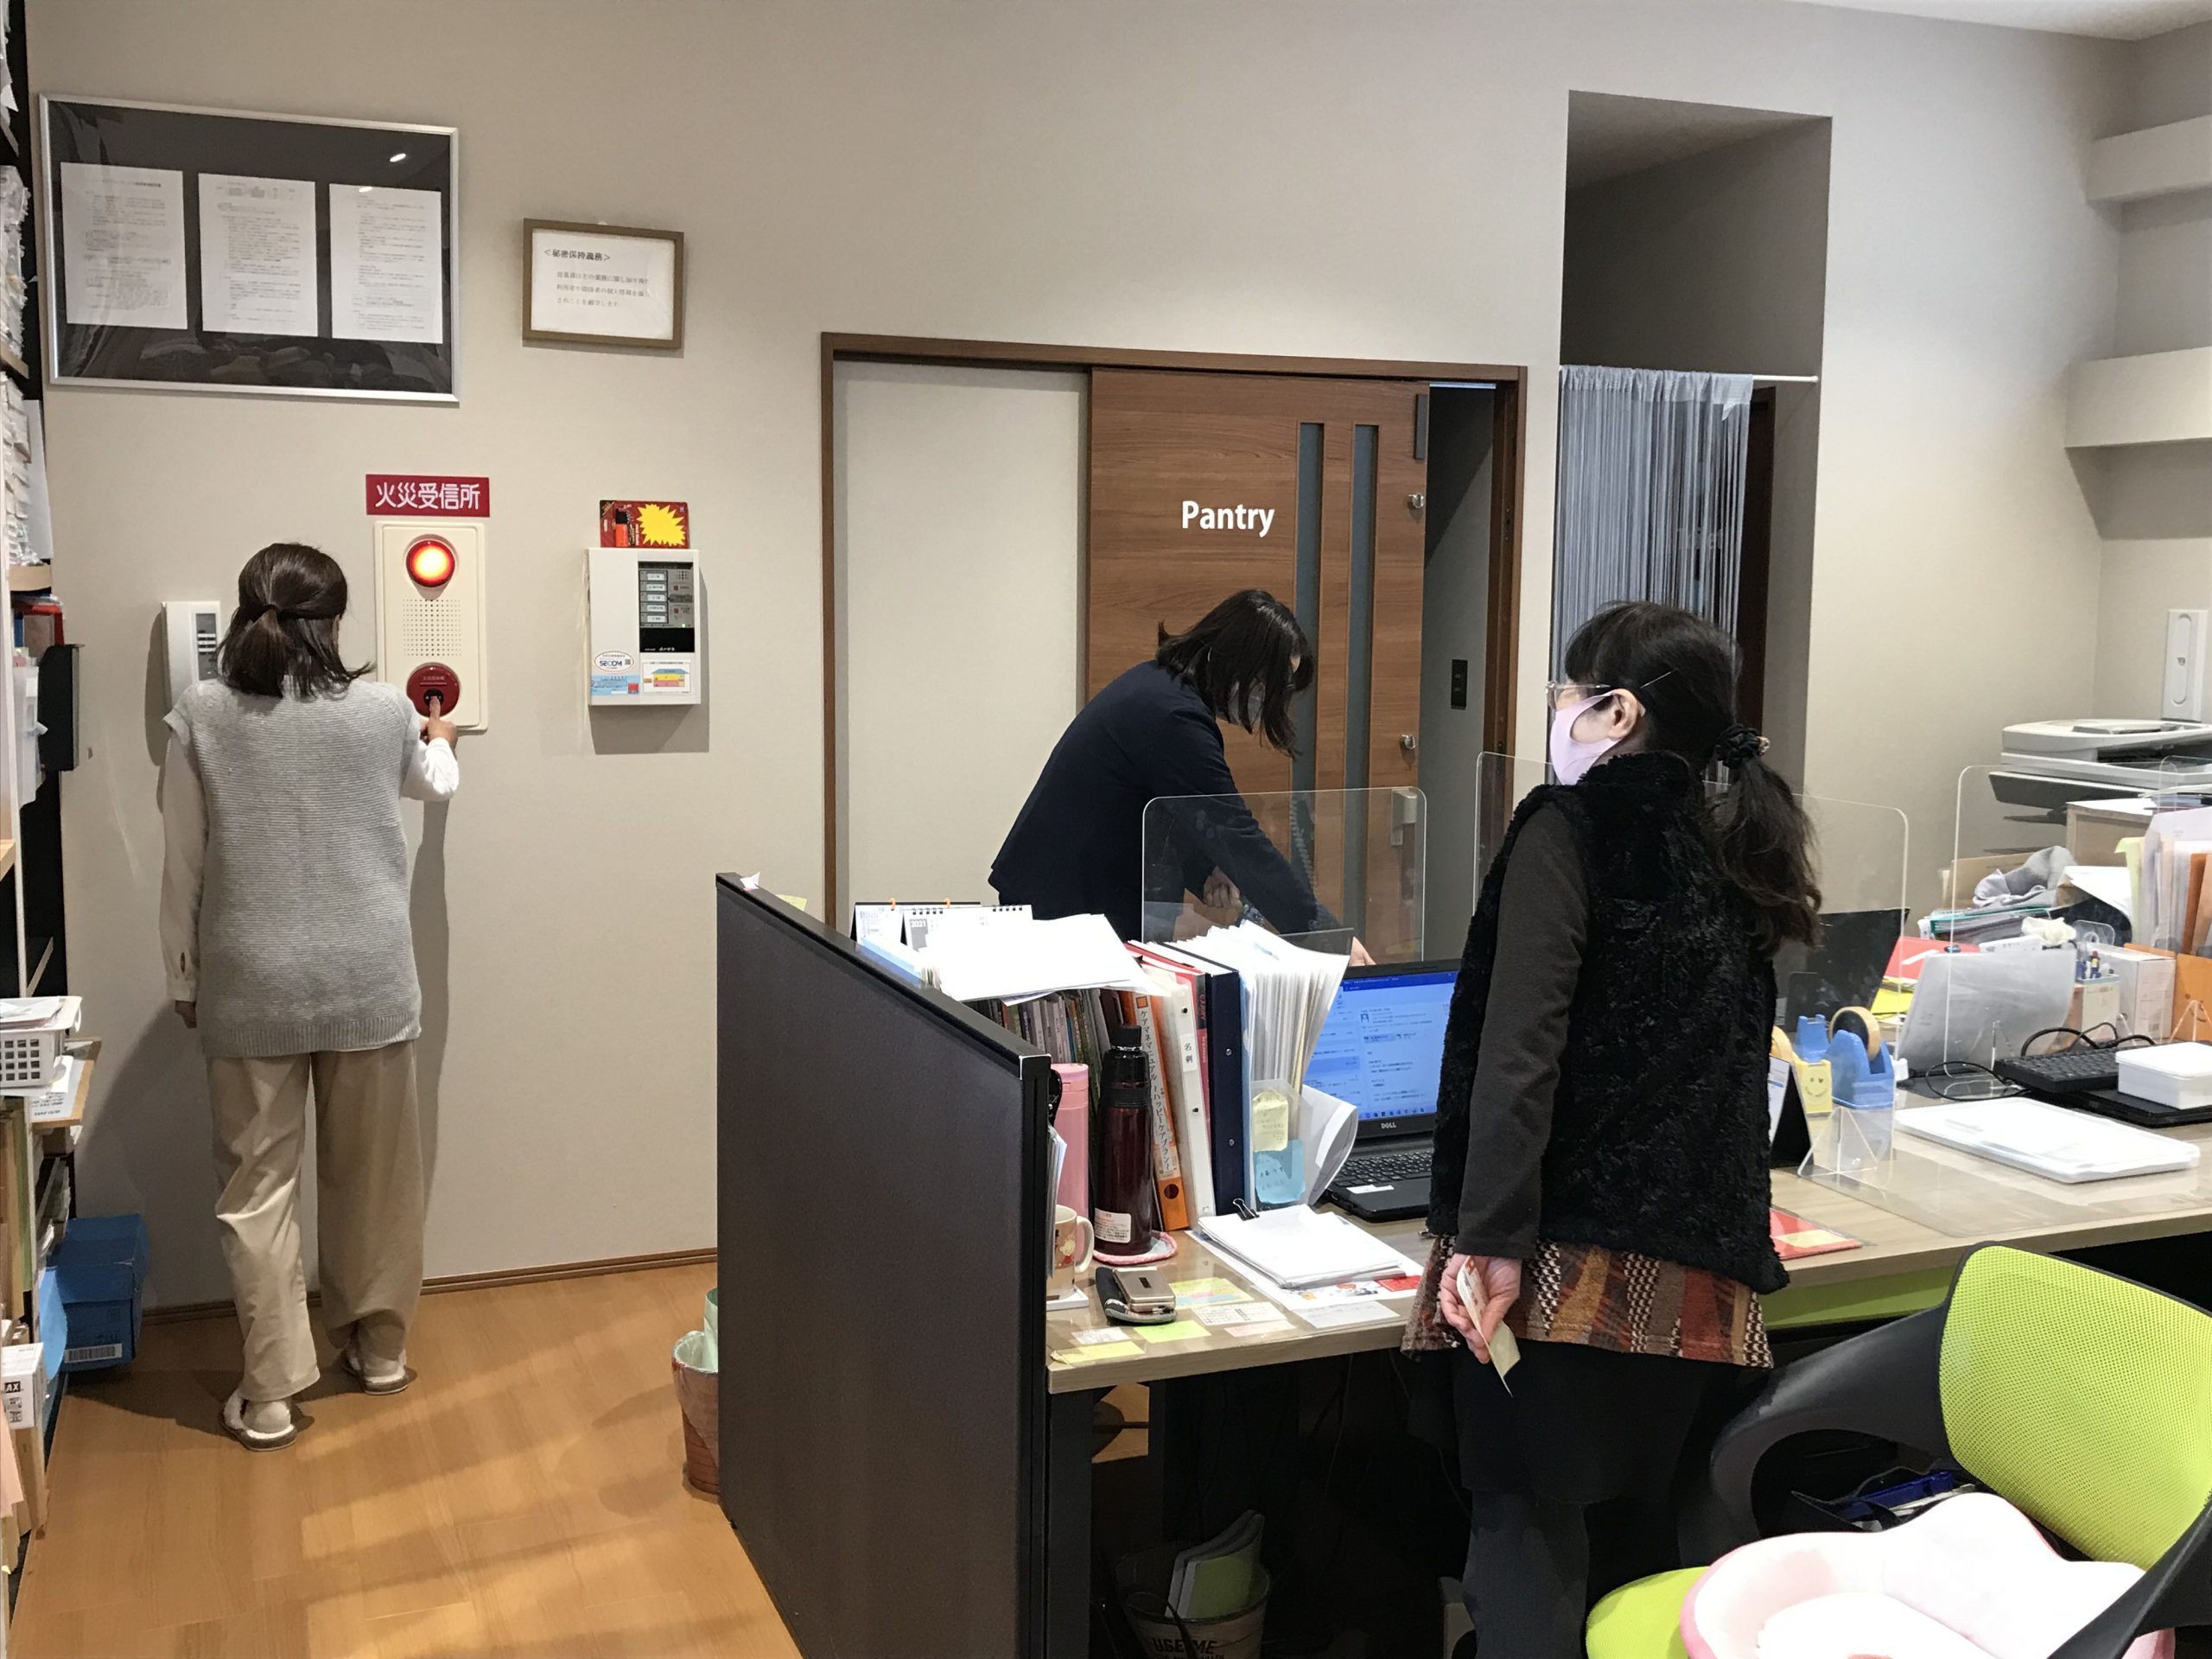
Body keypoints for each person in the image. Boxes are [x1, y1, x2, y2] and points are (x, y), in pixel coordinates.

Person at [1406, 601, 1821, 1656]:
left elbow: (1520, 1054)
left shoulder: (1570, 827)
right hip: (1702, 1279)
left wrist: (1489, 1243)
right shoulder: (1734, 843)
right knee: (1657, 1558)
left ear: (1617, 713)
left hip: (1564, 1265)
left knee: (1523, 1558)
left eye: (1568, 691)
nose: (1556, 707)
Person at [160, 543, 460, 1452]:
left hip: (252, 985)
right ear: (332, 622)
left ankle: (270, 1394)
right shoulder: (384, 712)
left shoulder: (202, 715)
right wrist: (441, 739)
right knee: (376, 1179)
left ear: (246, 613)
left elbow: (183, 866)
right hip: (370, 979)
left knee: (257, 1193)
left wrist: (182, 976)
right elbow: (434, 781)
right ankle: (380, 1351)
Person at [992, 588, 1369, 960]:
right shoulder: (1174, 718)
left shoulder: (1158, 686)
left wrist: (1203, 870)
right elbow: (1238, 837)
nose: (1271, 699)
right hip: (1062, 913)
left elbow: (1163, 808)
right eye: (1270, 684)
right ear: (1237, 659)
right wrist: (1328, 937)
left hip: (1063, 897)